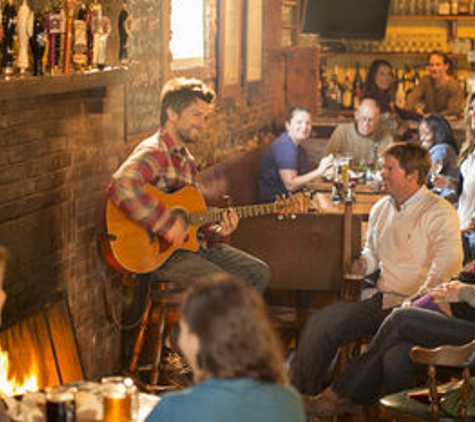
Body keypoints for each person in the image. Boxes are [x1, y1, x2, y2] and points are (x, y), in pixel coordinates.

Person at [292, 141, 463, 396]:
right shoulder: (380, 208)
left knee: (392, 356)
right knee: (321, 322)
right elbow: (372, 251)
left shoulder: (440, 212)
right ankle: (300, 400)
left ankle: (343, 398)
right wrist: (363, 264)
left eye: (389, 168)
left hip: (419, 309)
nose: (382, 174)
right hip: (382, 301)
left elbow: (446, 268)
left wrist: (417, 302)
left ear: (412, 176)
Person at [108, 77, 270, 293]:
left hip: (185, 248)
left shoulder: (188, 160)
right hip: (155, 252)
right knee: (221, 284)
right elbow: (122, 184)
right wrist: (166, 223)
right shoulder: (155, 151)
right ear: (172, 114)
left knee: (258, 271)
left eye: (205, 117)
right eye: (196, 115)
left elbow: (194, 222)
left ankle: (232, 326)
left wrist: (218, 229)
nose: (202, 124)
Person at [304, 259, 475, 418]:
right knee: (395, 357)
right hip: (458, 324)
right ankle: (394, 415)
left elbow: (462, 289)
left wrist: (464, 292)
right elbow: (455, 283)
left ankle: (339, 395)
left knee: (401, 318)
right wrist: (417, 301)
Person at [145, 274, 306, 422]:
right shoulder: (289, 400)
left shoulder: (174, 409)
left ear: (198, 340)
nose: (178, 341)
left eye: (183, 329)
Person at [258, 105, 333, 203]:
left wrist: (323, 173)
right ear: (288, 125)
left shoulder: (297, 147)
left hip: (293, 201)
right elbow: (290, 185)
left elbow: (304, 178)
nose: (304, 127)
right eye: (299, 122)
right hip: (276, 207)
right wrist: (319, 171)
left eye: (308, 123)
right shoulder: (285, 146)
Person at [435, 92, 475, 264]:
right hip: (462, 230)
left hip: (470, 236)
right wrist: (451, 184)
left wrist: (466, 229)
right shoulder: (471, 149)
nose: (472, 113)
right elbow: (469, 188)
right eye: (471, 109)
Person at [323, 98, 394, 165]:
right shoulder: (342, 132)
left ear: (378, 119)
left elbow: (391, 165)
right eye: (363, 119)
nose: (366, 124)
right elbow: (327, 162)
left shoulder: (386, 135)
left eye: (371, 120)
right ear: (356, 116)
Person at [405, 51, 464, 118]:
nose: (434, 68)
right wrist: (411, 111)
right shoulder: (426, 81)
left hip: (449, 126)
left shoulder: (453, 85)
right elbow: (412, 98)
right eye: (431, 65)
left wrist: (433, 116)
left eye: (438, 65)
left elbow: (454, 110)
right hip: (429, 124)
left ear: (446, 67)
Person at [418, 114, 459, 185]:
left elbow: (428, 175)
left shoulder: (441, 149)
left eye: (426, 134)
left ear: (438, 133)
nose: (422, 138)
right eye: (420, 134)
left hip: (446, 194)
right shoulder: (437, 150)